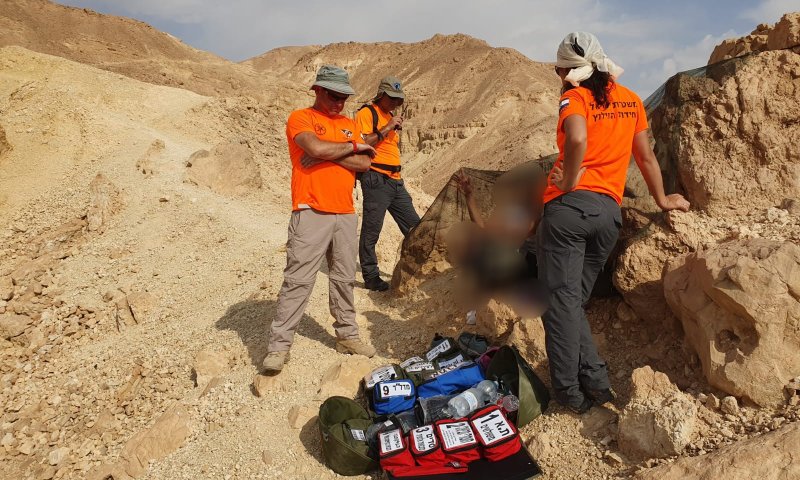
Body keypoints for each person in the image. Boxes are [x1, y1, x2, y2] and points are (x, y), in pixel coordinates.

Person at [539, 32, 690, 413]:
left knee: (560, 306)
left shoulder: (573, 98)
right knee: (572, 304)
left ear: (567, 72)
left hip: (568, 211)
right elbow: (646, 158)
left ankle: (569, 397)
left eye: (559, 71)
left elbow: (576, 139)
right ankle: (599, 385)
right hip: (608, 214)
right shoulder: (631, 100)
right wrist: (662, 198)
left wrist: (571, 180)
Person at [262, 65, 378, 373]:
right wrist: (349, 147)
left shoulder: (349, 123)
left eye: (344, 97)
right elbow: (313, 146)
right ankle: (279, 346)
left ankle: (347, 335)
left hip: (344, 212)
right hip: (310, 209)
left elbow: (365, 163)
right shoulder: (302, 118)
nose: (339, 102)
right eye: (333, 95)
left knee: (342, 278)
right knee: (298, 280)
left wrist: (329, 153)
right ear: (317, 90)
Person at [355, 76, 421, 292]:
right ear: (381, 95)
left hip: (395, 181)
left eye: (398, 100)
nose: (395, 103)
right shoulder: (367, 113)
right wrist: (387, 126)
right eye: (392, 98)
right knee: (372, 230)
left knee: (415, 226)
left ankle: (422, 266)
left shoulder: (389, 115)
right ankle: (371, 276)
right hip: (376, 179)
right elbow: (361, 142)